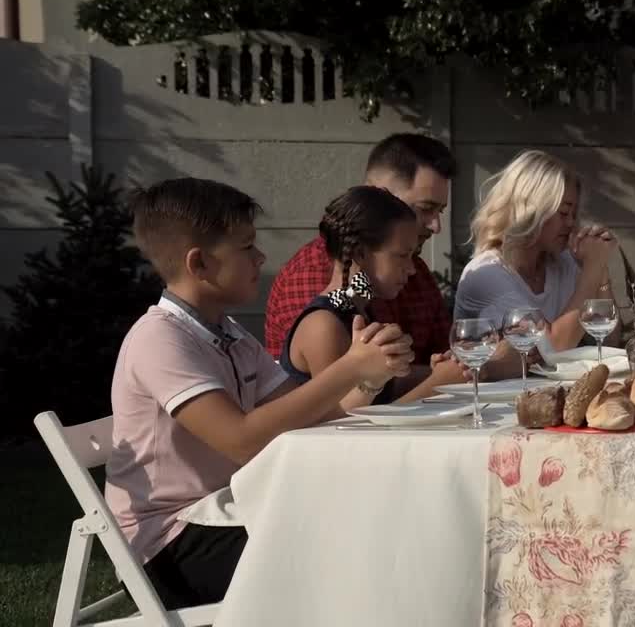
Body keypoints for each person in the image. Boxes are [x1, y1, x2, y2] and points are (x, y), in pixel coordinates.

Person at [106, 178, 413, 609]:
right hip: (168, 545)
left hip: (225, 510)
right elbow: (242, 439)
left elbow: (315, 415)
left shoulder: (226, 333)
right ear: (200, 265)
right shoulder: (159, 339)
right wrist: (350, 368)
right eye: (247, 247)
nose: (261, 257)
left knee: (374, 520)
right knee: (353, 550)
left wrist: (372, 376)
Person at [264, 133, 457, 392]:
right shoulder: (321, 297)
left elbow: (428, 362)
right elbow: (343, 414)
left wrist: (445, 369)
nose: (436, 226)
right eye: (425, 208)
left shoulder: (364, 293)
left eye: (440, 211)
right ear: (377, 197)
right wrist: (437, 381)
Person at [430, 150, 617, 385]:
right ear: (531, 210)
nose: (571, 223)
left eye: (573, 214)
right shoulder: (487, 273)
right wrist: (593, 267)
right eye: (563, 212)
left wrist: (600, 270)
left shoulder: (563, 263)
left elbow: (609, 342)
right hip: (489, 405)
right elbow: (553, 347)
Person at [279, 186, 422, 409]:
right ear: (360, 254)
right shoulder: (325, 325)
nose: (411, 269)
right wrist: (439, 382)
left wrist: (438, 369)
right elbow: (343, 418)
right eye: (402, 255)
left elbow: (386, 389)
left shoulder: (357, 309)